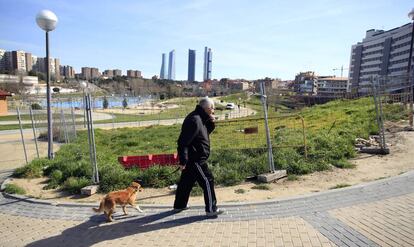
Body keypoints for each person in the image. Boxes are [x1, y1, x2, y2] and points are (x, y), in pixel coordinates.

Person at [173, 97, 223, 217]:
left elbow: (203, 134)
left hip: (194, 157)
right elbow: (183, 142)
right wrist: (183, 160)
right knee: (207, 180)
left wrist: (211, 122)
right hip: (196, 158)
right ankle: (211, 209)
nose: (213, 111)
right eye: (213, 109)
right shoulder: (194, 120)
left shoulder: (200, 118)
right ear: (207, 108)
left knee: (186, 182)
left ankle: (180, 205)